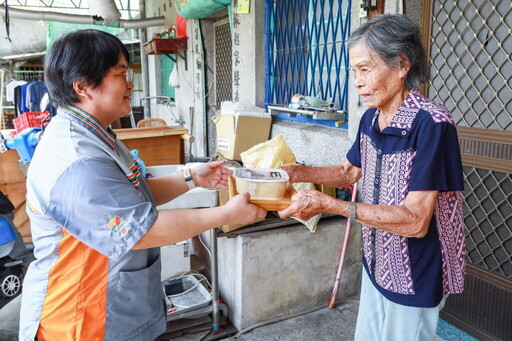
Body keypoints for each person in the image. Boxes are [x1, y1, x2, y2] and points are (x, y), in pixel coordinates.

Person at [19, 29, 266, 341]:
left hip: (114, 304)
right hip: (83, 317)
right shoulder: (77, 159)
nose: (130, 84)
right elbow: (141, 231)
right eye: (121, 73)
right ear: (83, 86)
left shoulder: (96, 134)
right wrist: (227, 214)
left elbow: (132, 195)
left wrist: (191, 179)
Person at [278, 14, 465, 341]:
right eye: (355, 71)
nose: (357, 82)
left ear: (402, 65)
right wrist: (296, 172)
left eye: (365, 69)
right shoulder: (371, 119)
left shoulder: (432, 124)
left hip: (416, 273)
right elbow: (348, 172)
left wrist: (328, 205)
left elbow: (415, 221)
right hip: (377, 260)